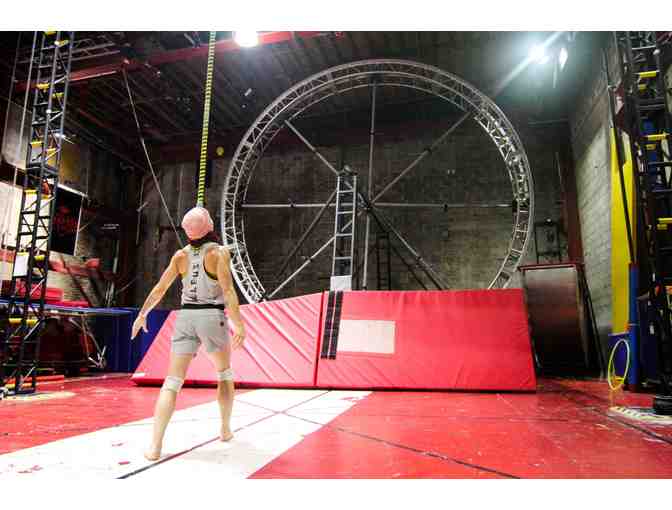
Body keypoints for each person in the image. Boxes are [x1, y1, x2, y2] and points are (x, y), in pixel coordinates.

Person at [131, 207, 246, 461]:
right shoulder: (218, 253)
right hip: (211, 317)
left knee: (172, 382)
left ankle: (155, 446)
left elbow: (160, 288)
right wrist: (239, 324)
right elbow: (228, 291)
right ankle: (225, 429)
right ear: (209, 226)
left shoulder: (179, 256)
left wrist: (142, 314)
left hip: (185, 317)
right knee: (224, 373)